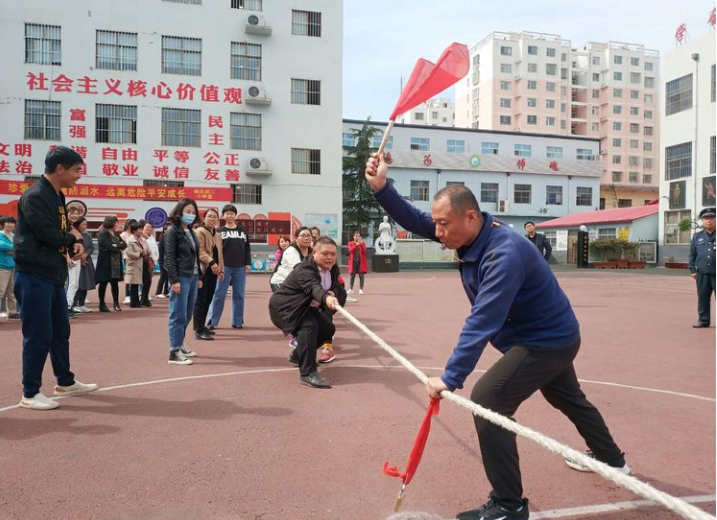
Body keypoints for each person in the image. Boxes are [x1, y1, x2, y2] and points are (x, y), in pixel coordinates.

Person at [366, 153, 628, 520]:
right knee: (567, 397)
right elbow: (417, 219)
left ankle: (508, 506)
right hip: (552, 334)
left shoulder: (503, 254)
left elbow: (482, 319)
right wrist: (382, 188)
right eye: (436, 224)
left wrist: (451, 378)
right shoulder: (469, 233)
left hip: (546, 340)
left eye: (443, 225)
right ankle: (612, 460)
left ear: (470, 217)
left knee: (489, 401)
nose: (437, 233)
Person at [13, 146, 97, 410]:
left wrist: (74, 245)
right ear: (60, 168)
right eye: (76, 170)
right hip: (34, 275)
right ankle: (30, 392)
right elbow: (48, 235)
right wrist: (73, 238)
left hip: (53, 274)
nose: (79, 176)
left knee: (60, 331)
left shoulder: (57, 195)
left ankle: (64, 381)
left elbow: (60, 233)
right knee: (38, 334)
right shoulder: (35, 196)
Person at [269, 237, 345, 389]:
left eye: (333, 254)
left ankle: (298, 354)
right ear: (314, 253)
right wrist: (325, 298)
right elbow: (313, 287)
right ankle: (308, 373)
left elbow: (339, 288)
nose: (330, 257)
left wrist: (333, 293)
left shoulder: (333, 269)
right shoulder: (305, 269)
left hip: (305, 308)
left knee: (328, 328)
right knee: (309, 327)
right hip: (285, 308)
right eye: (325, 253)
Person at [164, 197, 203, 365]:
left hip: (193, 276)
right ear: (179, 212)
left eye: (193, 212)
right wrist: (174, 280)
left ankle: (179, 343)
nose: (191, 215)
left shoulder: (191, 231)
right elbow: (169, 257)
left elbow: (196, 256)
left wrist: (199, 276)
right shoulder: (172, 231)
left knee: (187, 313)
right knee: (177, 314)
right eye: (188, 211)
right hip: (181, 276)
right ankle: (174, 351)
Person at [207, 204, 250, 330]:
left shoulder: (242, 231)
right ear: (223, 216)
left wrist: (248, 263)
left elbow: (247, 249)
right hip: (224, 268)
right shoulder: (219, 231)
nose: (229, 215)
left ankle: (237, 321)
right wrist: (216, 265)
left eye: (232, 213)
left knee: (239, 294)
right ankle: (212, 321)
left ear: (235, 215)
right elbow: (214, 251)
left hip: (240, 267)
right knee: (219, 294)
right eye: (227, 213)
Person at [193, 208, 224, 341]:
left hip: (214, 271)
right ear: (204, 218)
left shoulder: (217, 234)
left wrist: (221, 269)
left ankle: (202, 326)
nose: (212, 219)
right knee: (201, 300)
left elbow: (220, 254)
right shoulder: (199, 231)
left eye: (215, 217)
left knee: (208, 298)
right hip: (203, 270)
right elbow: (199, 251)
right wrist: (211, 262)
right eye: (209, 216)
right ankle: (198, 329)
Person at [688, 207, 716, 328]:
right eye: (705, 218)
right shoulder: (697, 237)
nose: (708, 220)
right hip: (702, 272)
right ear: (702, 221)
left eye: (711, 218)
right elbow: (692, 254)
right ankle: (703, 320)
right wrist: (692, 269)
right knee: (703, 298)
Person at [96, 216, 126, 312]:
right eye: (116, 223)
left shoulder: (116, 234)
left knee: (115, 284)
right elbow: (106, 246)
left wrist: (116, 245)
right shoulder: (103, 233)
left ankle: (116, 303)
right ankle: (101, 304)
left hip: (116, 263)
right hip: (105, 262)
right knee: (103, 283)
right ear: (111, 223)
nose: (117, 225)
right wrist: (117, 247)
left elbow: (124, 244)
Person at [72, 217, 96, 313]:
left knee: (86, 283)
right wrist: (80, 257)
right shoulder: (73, 234)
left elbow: (91, 247)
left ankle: (81, 304)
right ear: (77, 225)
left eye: (86, 224)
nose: (85, 226)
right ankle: (74, 304)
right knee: (77, 284)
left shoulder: (87, 235)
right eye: (83, 224)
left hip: (87, 261)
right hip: (76, 261)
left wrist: (85, 255)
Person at [0, 215, 20, 320]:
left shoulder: (14, 235)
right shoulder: (0, 234)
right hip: (2, 267)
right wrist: (14, 249)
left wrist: (12, 251)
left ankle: (12, 312)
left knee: (12, 292)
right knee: (1, 291)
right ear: (2, 224)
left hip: (13, 267)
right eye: (8, 222)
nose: (10, 224)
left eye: (12, 222)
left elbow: (20, 247)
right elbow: (2, 245)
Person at [65, 206, 83, 316]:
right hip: (70, 259)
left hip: (77, 259)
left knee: (75, 284)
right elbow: (62, 244)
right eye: (72, 213)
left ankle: (70, 306)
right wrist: (67, 258)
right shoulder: (65, 226)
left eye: (77, 213)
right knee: (70, 284)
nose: (75, 215)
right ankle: (66, 307)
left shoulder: (73, 226)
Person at [123, 221, 145, 308]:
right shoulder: (129, 240)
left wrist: (145, 252)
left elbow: (146, 248)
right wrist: (140, 254)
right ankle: (134, 302)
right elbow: (129, 253)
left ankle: (136, 301)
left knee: (136, 283)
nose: (141, 231)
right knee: (133, 284)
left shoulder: (140, 239)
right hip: (133, 264)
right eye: (139, 229)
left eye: (141, 229)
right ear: (134, 230)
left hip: (139, 263)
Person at [347, 231, 368, 295]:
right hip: (353, 262)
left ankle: (361, 289)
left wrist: (361, 244)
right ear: (353, 237)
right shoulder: (350, 243)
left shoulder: (363, 243)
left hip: (360, 262)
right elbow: (350, 251)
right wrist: (356, 245)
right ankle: (351, 288)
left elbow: (364, 252)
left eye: (358, 236)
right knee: (352, 276)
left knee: (361, 276)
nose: (357, 237)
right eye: (356, 236)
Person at [155, 223, 171, 299]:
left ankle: (166, 291)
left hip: (166, 260)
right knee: (163, 276)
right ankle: (158, 292)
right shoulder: (164, 237)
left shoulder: (166, 237)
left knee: (167, 276)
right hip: (163, 260)